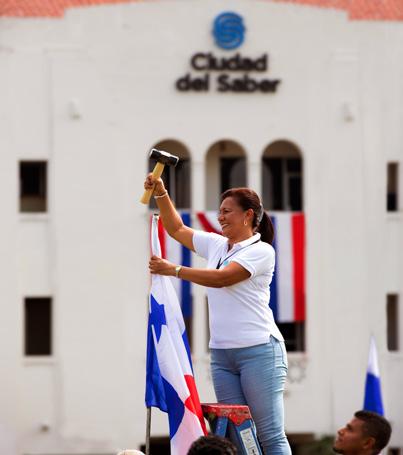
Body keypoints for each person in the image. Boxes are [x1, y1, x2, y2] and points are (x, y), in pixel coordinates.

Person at [145, 174, 291, 455]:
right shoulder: (216, 244)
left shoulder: (262, 251)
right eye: (220, 211)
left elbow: (223, 278)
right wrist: (161, 192)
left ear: (248, 215)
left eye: (227, 211)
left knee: (270, 434)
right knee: (238, 434)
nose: (220, 217)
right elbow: (176, 228)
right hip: (222, 354)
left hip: (260, 351)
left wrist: (174, 270)